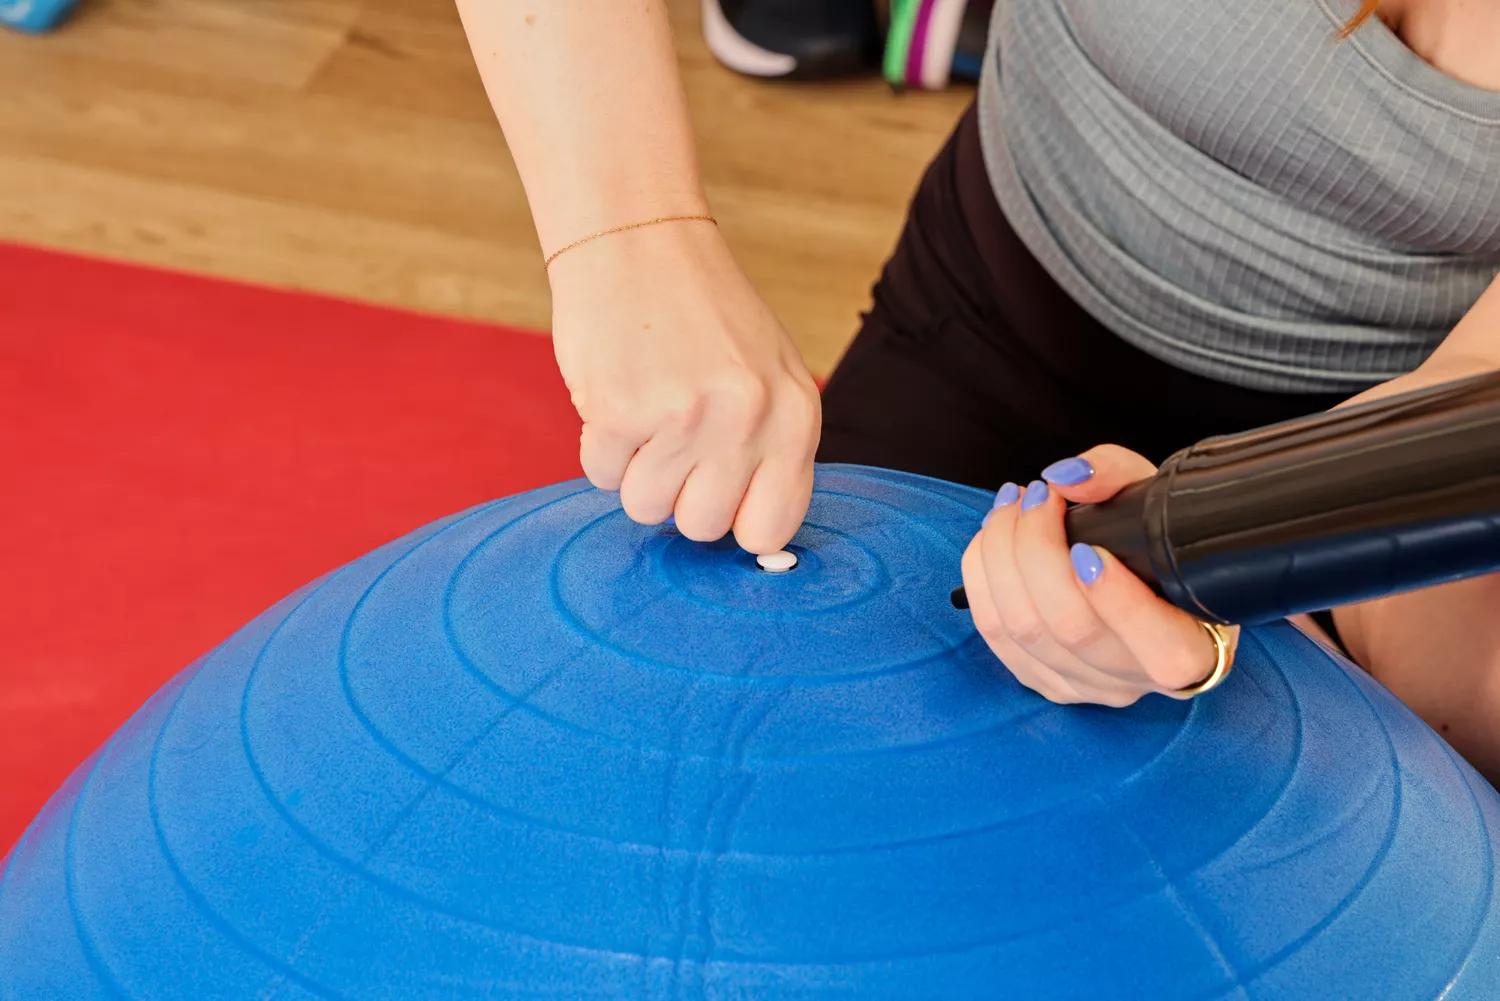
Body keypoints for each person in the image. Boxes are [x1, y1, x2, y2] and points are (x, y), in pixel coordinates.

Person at [454, 0, 1500, 779]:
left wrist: (1260, 600)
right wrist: (633, 239)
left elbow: (1469, 408)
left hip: (1386, 448)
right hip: (990, 316)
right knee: (735, 752)